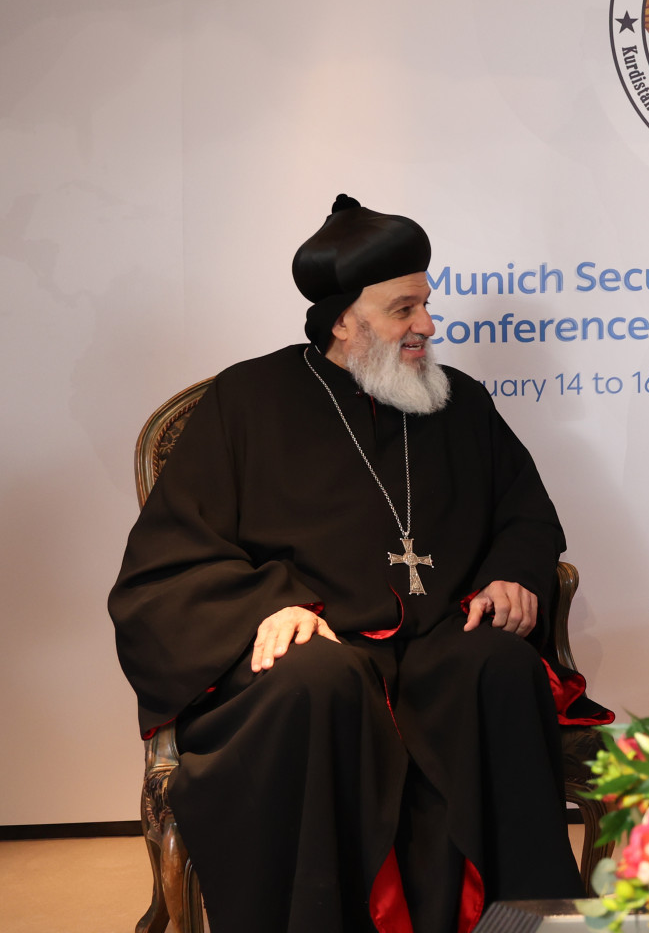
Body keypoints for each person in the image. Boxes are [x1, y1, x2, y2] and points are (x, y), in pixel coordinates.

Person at [110, 195, 609, 933]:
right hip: (311, 650)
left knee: (498, 668)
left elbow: (525, 515)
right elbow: (167, 563)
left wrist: (513, 570)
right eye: (403, 308)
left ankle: (524, 920)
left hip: (436, 641)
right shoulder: (247, 401)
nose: (427, 326)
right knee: (324, 680)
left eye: (425, 304)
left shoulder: (458, 403)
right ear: (344, 318)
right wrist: (265, 607)